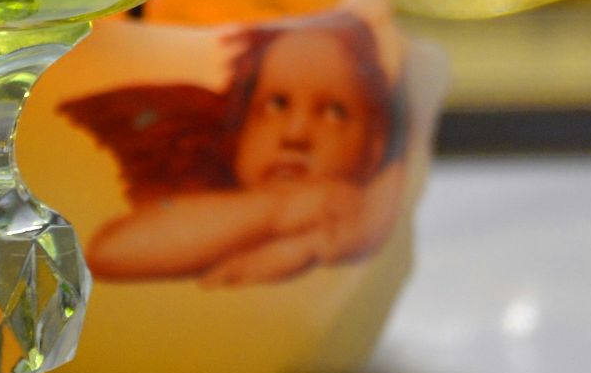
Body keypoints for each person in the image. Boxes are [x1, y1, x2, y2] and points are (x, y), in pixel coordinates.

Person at [65, 15, 404, 287]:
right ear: (239, 132)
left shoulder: (369, 205)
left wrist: (308, 245)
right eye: (276, 104)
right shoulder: (213, 203)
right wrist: (281, 209)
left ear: (374, 148)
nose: (295, 134)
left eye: (333, 112)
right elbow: (110, 252)